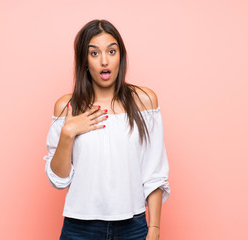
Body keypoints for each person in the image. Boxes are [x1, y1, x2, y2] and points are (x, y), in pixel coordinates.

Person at [43, 19, 170, 240]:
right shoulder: (67, 107)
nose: (104, 61)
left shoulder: (144, 101)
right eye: (94, 53)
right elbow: (58, 180)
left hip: (134, 227)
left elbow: (154, 173)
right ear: (84, 60)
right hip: (79, 229)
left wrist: (154, 228)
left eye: (111, 51)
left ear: (120, 56)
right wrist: (67, 132)